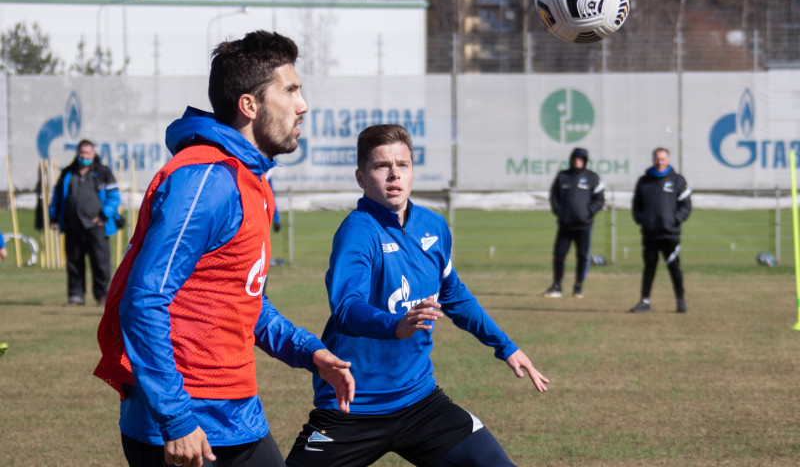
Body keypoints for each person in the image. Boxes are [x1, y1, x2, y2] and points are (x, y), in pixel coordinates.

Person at [93, 31, 355, 467]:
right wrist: (176, 419)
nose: (302, 105)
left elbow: (241, 299)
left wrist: (309, 351)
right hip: (186, 424)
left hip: (235, 413)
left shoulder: (250, 180)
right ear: (249, 106)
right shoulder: (206, 180)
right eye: (290, 90)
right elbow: (144, 300)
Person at [285, 124, 549, 467]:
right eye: (381, 166)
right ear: (361, 177)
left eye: (403, 165)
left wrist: (506, 345)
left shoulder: (433, 226)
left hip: (420, 403)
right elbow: (346, 310)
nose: (394, 174)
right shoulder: (357, 233)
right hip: (352, 408)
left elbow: (453, 293)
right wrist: (397, 325)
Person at [49, 139, 120, 306]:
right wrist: (53, 217)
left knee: (100, 263)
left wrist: (104, 215)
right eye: (82, 153)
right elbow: (57, 197)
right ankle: (75, 296)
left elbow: (114, 197)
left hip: (97, 226)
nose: (84, 156)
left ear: (93, 154)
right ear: (77, 153)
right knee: (74, 262)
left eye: (88, 153)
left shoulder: (103, 172)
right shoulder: (67, 172)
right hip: (72, 226)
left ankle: (102, 295)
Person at [630, 147, 692, 313]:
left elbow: (686, 205)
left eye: (663, 159)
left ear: (668, 160)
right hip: (650, 234)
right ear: (653, 159)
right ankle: (644, 301)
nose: (660, 162)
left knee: (674, 267)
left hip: (669, 234)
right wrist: (642, 220)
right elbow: (636, 205)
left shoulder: (678, 181)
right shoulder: (644, 181)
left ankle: (680, 301)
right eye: (657, 158)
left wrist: (674, 220)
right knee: (649, 268)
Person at [542, 147, 605, 298]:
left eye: (581, 158)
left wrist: (588, 212)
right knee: (559, 255)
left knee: (582, 256)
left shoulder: (592, 177)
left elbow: (600, 199)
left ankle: (578, 286)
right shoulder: (562, 176)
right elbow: (554, 197)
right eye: (576, 158)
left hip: (584, 225)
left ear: (585, 161)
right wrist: (561, 212)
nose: (578, 160)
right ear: (571, 159)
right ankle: (557, 286)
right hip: (565, 225)